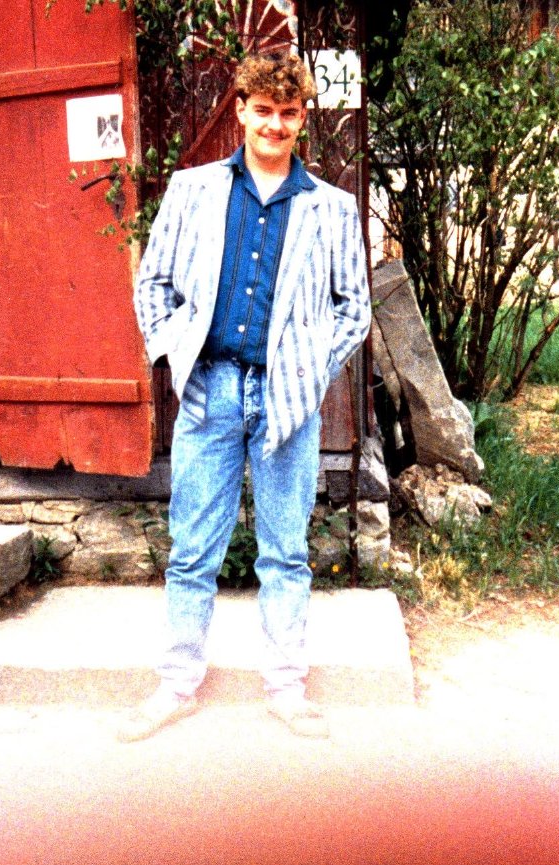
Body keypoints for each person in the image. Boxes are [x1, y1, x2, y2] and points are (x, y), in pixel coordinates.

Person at [120, 50, 370, 742]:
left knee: (285, 551)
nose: (275, 125)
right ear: (240, 111)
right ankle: (176, 686)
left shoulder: (331, 208)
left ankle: (286, 689)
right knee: (192, 549)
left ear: (303, 119)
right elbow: (153, 284)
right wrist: (176, 352)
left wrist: (310, 370)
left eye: (288, 113)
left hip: (289, 400)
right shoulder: (194, 190)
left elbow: (354, 309)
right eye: (263, 111)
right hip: (211, 391)